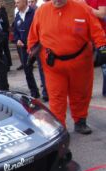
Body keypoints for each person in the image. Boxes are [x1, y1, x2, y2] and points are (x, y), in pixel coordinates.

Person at [28, 0, 106, 134]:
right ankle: (60, 127)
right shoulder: (42, 11)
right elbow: (33, 36)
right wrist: (31, 51)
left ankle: (80, 121)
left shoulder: (82, 8)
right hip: (54, 66)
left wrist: (102, 47)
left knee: (81, 93)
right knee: (56, 97)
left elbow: (96, 30)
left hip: (81, 63)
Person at [14, 0, 40, 98]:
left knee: (42, 70)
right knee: (27, 70)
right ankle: (34, 92)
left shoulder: (33, 13)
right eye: (15, 3)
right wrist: (17, 40)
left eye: (18, 2)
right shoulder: (17, 16)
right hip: (24, 48)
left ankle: (47, 92)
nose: (16, 4)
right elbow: (15, 32)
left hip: (36, 46)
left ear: (24, 2)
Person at [84, 0, 106, 97]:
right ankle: (86, 92)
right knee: (85, 67)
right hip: (85, 37)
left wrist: (85, 7)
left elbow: (102, 14)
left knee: (104, 66)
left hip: (100, 36)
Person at [0, 0, 12, 68]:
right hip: (4, 33)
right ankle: (8, 64)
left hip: (2, 34)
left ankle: (6, 65)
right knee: (5, 49)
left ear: (0, 5)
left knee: (3, 49)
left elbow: (3, 24)